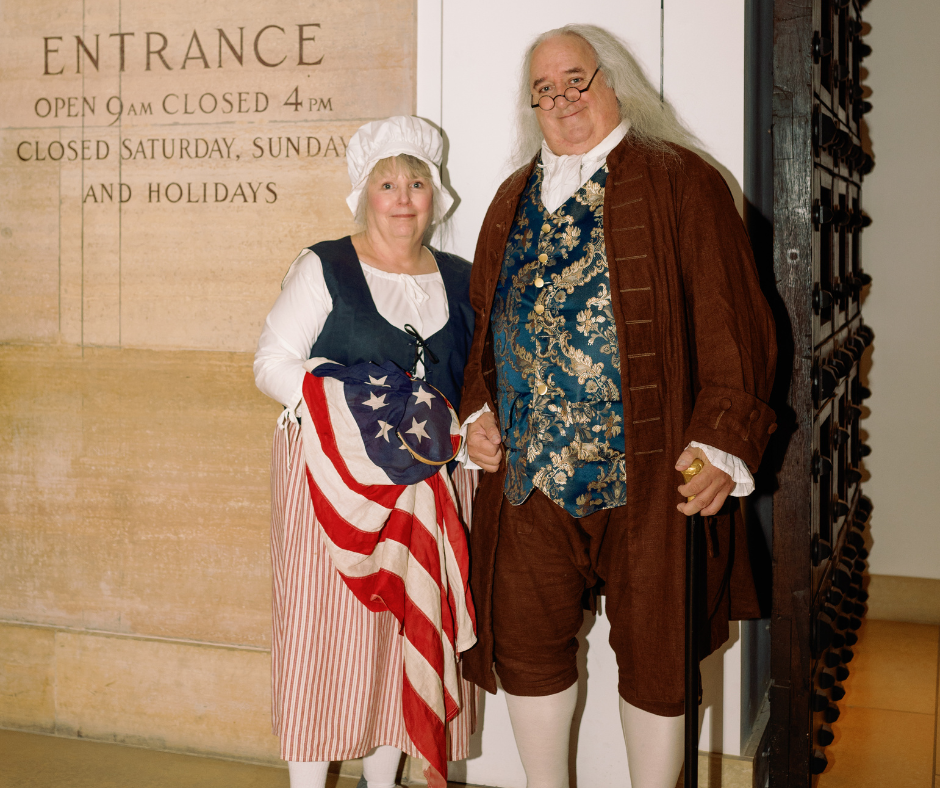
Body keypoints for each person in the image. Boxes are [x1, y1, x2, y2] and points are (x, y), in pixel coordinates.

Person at [458, 25, 777, 788]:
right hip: (530, 483)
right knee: (528, 646)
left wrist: (720, 441)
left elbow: (734, 323)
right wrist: (477, 415)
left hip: (649, 479)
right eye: (544, 90)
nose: (562, 99)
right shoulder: (510, 199)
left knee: (658, 654)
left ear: (615, 82)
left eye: (577, 79)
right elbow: (482, 334)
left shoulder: (683, 181)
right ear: (530, 106)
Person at [254, 116, 477, 788]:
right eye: (388, 182)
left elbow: (478, 383)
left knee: (398, 639)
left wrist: (472, 428)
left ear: (436, 193)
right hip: (334, 486)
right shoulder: (326, 266)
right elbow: (270, 364)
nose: (403, 196)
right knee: (326, 641)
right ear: (364, 192)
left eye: (417, 181)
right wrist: (356, 402)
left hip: (429, 490)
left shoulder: (465, 280)